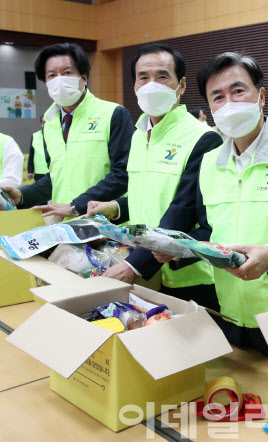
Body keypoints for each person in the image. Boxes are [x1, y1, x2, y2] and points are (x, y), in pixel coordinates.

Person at [151, 52, 268, 356]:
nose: (229, 103)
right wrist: (177, 247)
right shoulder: (208, 163)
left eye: (238, 91)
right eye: (217, 97)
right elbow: (210, 227)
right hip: (229, 310)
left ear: (261, 96)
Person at [87, 43, 223, 307]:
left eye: (162, 77)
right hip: (142, 267)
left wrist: (136, 264)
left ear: (181, 85)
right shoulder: (139, 135)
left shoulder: (202, 138)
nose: (152, 85)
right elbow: (148, 195)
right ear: (135, 86)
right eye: (143, 77)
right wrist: (115, 207)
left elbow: (185, 208)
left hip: (185, 275)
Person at [3, 43, 134, 217]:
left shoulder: (113, 113)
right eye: (51, 75)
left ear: (84, 78)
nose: (59, 79)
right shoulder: (49, 124)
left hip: (103, 222)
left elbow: (122, 174)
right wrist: (22, 195)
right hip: (64, 222)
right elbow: (55, 178)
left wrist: (76, 206)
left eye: (66, 73)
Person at [27, 115, 48, 182]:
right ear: (41, 124)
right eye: (44, 122)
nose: (45, 124)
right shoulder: (35, 136)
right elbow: (31, 155)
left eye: (47, 122)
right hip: (39, 173)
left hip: (52, 172)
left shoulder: (57, 136)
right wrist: (30, 170)